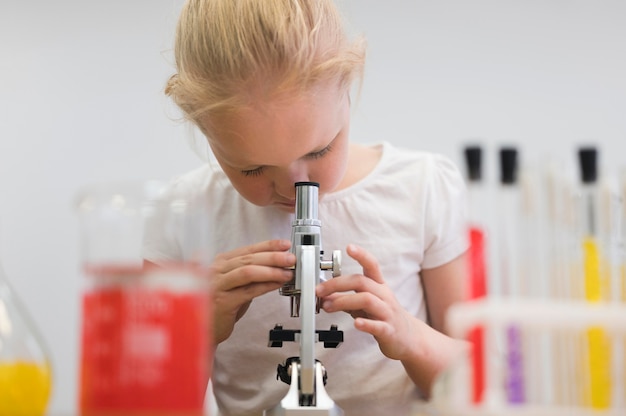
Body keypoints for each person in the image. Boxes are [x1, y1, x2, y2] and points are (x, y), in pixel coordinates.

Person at [143, 0, 469, 414]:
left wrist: (409, 336)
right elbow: (149, 402)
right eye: (254, 168)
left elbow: (477, 379)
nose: (296, 188)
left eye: (319, 150)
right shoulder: (179, 215)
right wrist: (194, 332)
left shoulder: (422, 188)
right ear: (205, 132)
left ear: (348, 87)